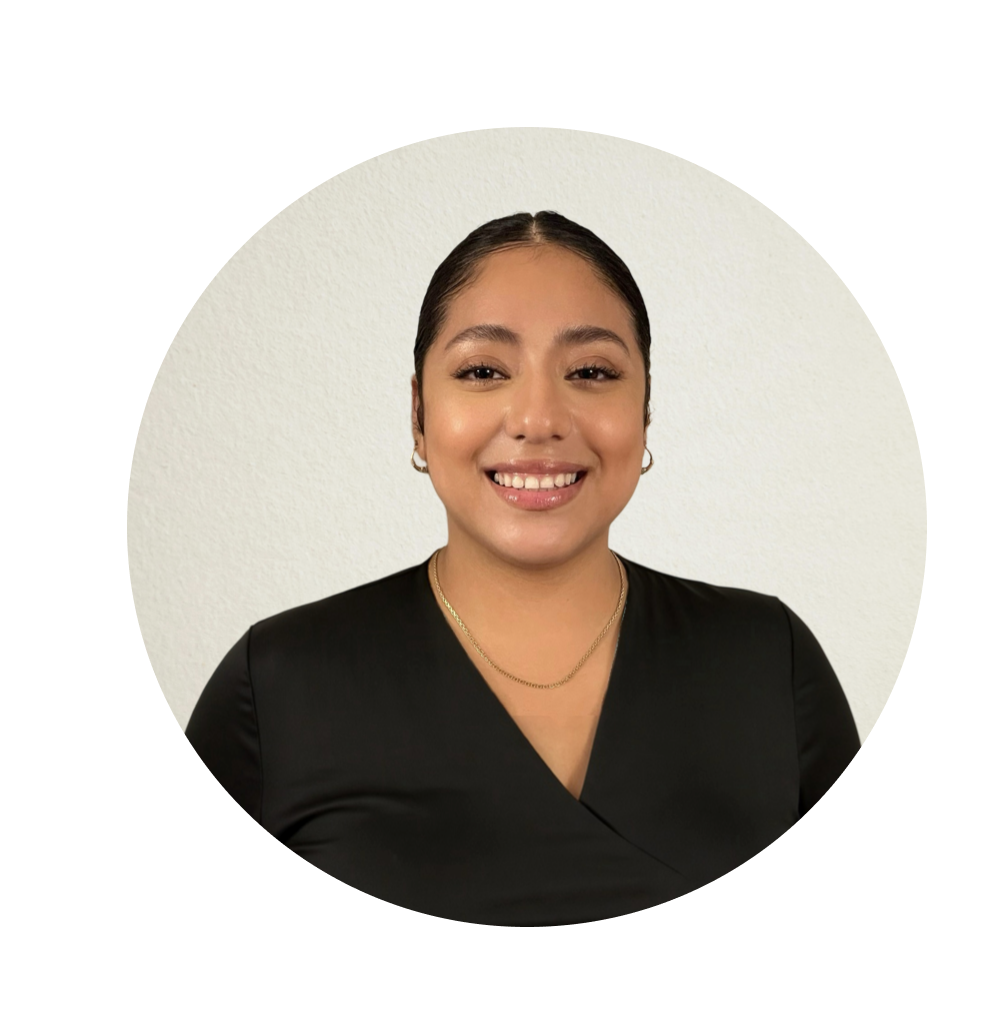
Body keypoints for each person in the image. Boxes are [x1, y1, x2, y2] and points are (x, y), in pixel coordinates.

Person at [186, 211, 860, 926]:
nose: (538, 418)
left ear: (646, 410)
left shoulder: (767, 662)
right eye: (482, 371)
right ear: (418, 412)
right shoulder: (280, 684)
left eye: (592, 372)